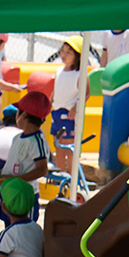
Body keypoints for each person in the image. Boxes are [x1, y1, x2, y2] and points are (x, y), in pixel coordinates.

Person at [0, 92, 53, 195]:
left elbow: (42, 169)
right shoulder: (17, 137)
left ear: (23, 115)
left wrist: (18, 179)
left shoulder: (37, 141)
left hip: (24, 194)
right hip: (9, 190)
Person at [47, 36, 92, 180]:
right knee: (58, 148)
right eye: (63, 51)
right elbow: (56, 90)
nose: (64, 55)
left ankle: (73, 181)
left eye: (69, 52)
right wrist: (49, 102)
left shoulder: (80, 74)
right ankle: (60, 179)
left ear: (78, 56)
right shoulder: (59, 71)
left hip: (68, 115)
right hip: (57, 113)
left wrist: (75, 108)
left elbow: (86, 94)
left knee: (70, 150)